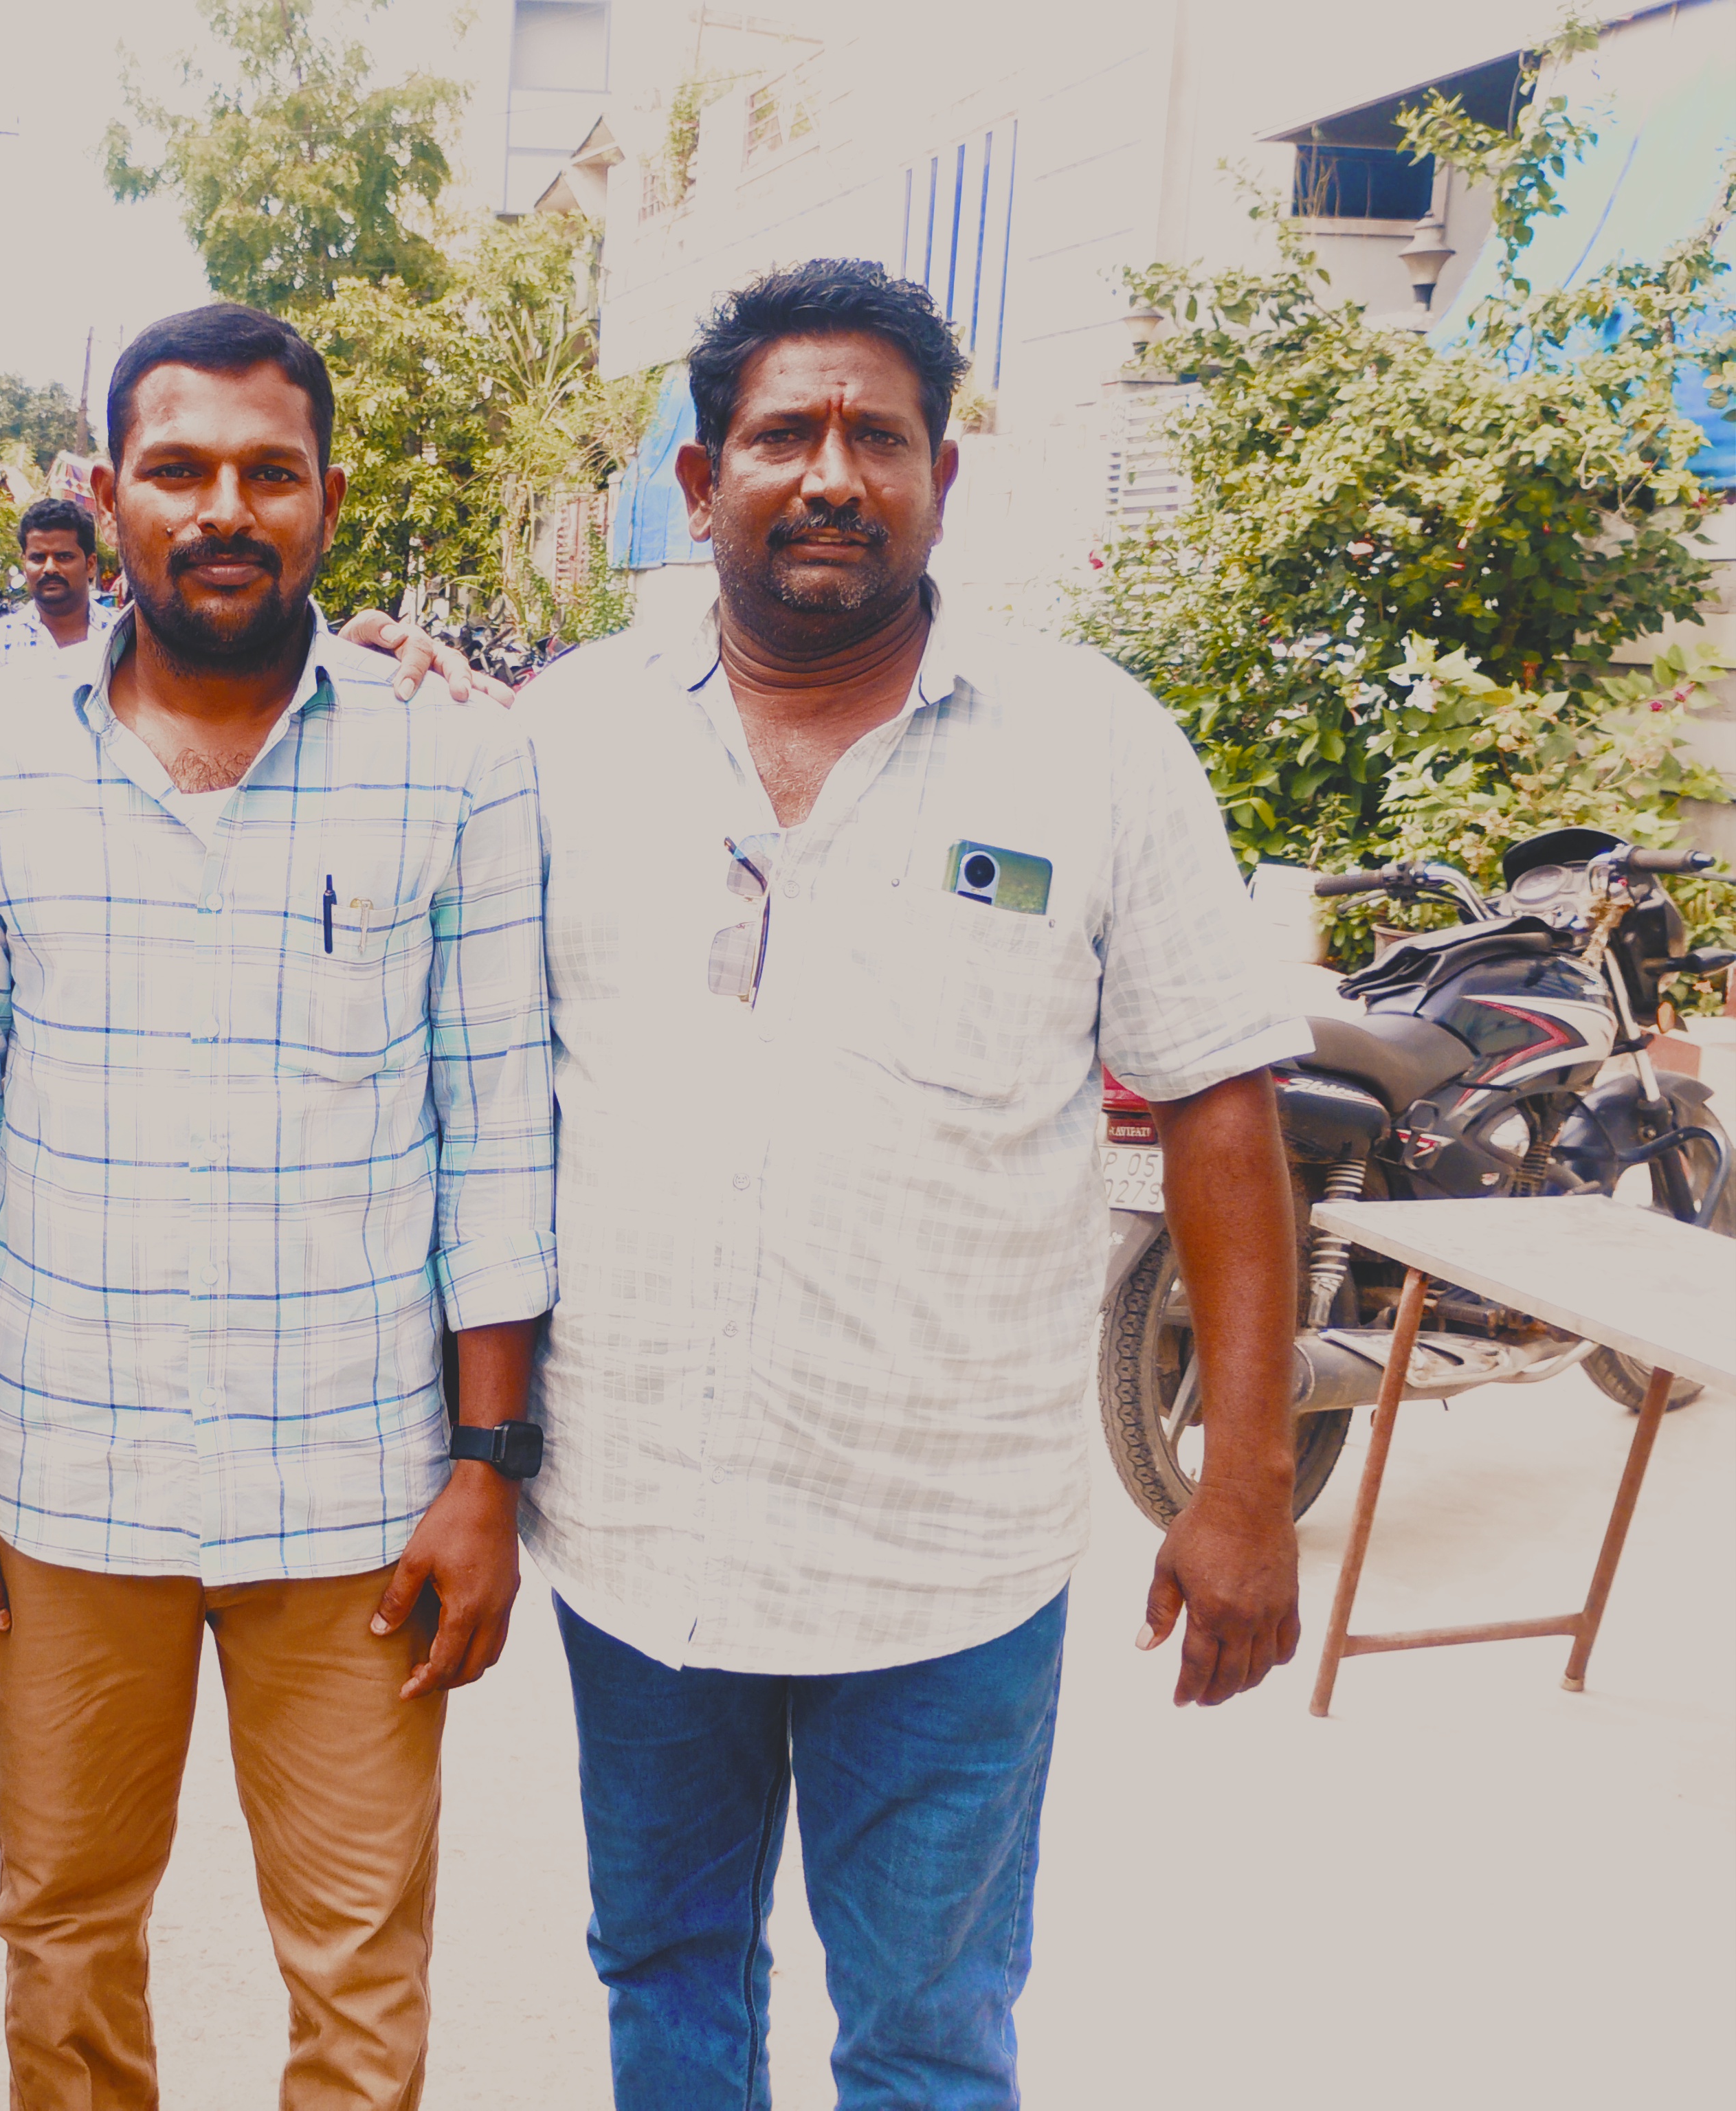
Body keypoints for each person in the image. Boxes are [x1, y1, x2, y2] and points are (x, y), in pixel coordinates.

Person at [512, 259, 1311, 2109]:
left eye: (877, 437)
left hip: (946, 1557)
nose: (830, 476)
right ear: (700, 480)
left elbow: (1218, 1103)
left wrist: (1244, 1484)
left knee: (929, 2033)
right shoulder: (562, 739)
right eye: (783, 436)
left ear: (941, 476)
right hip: (638, 1532)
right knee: (664, 1978)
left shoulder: (1090, 744)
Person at [0, 302, 557, 2109]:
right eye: (179, 470)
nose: (224, 510)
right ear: (108, 492)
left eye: (271, 474)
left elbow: (499, 1129)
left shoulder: (455, 758)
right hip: (64, 1475)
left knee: (358, 1967)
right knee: (63, 1933)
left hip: (354, 1491)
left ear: (329, 499)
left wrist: (486, 1473)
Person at [0, 495, 102, 673]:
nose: (50, 568)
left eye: (64, 557)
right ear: (24, 564)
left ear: (90, 565)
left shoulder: (124, 636)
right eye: (38, 558)